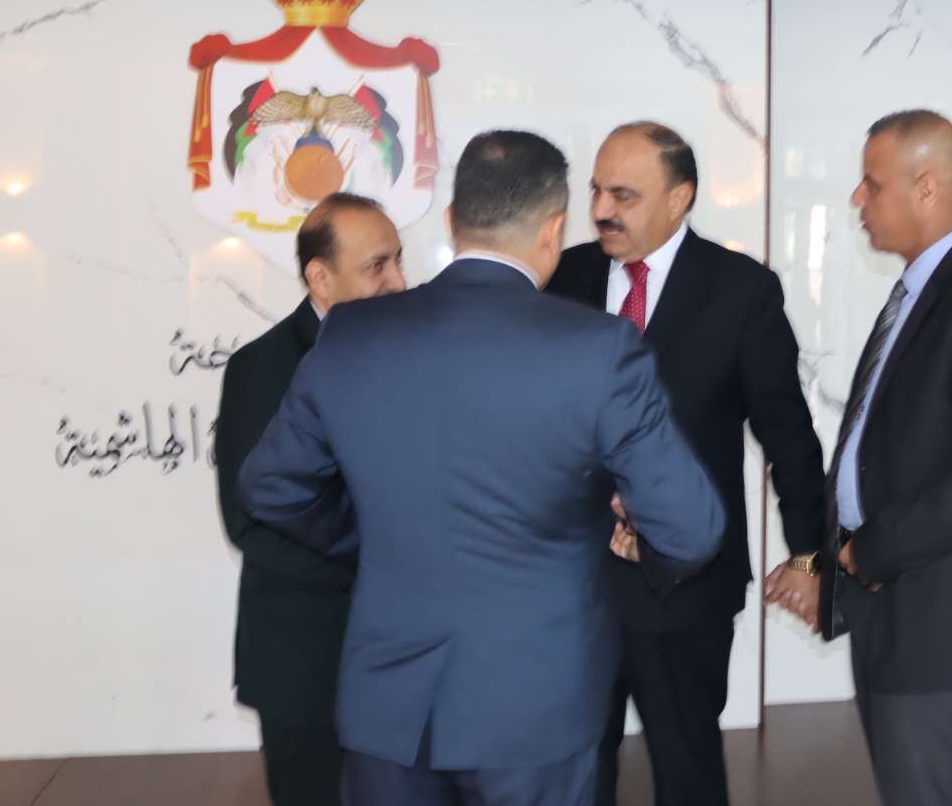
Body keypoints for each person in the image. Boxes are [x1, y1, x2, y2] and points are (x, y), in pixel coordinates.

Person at [239, 129, 726, 806]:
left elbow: (269, 486)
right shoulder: (600, 349)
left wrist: (369, 538)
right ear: (552, 230)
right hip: (535, 707)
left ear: (451, 219)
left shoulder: (349, 334)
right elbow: (693, 528)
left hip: (389, 706)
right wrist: (639, 543)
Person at [545, 121, 826, 806]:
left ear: (681, 198)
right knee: (569, 776)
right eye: (596, 191)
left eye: (624, 195)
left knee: (687, 771)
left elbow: (788, 434)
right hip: (570, 587)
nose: (601, 210)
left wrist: (808, 555)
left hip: (684, 589)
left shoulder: (741, 290)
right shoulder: (562, 277)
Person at [774, 110, 952, 805]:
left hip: (935, 613)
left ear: (927, 188)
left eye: (872, 183)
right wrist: (829, 561)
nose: (856, 199)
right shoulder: (918, 294)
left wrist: (868, 552)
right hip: (884, 599)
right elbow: (877, 450)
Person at [215, 192, 407, 806]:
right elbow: (249, 524)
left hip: (404, 662)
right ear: (320, 277)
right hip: (307, 664)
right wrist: (381, 564)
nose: (399, 281)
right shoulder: (263, 369)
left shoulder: (413, 358)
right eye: (377, 266)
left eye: (398, 259)